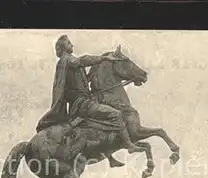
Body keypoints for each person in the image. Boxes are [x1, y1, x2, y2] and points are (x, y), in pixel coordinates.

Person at [36, 35, 143, 166]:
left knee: (103, 119)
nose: (72, 45)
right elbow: (83, 60)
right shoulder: (68, 60)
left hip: (82, 102)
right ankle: (129, 145)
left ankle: (110, 157)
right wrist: (104, 58)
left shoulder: (68, 64)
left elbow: (81, 81)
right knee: (116, 114)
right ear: (63, 47)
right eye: (69, 43)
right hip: (82, 104)